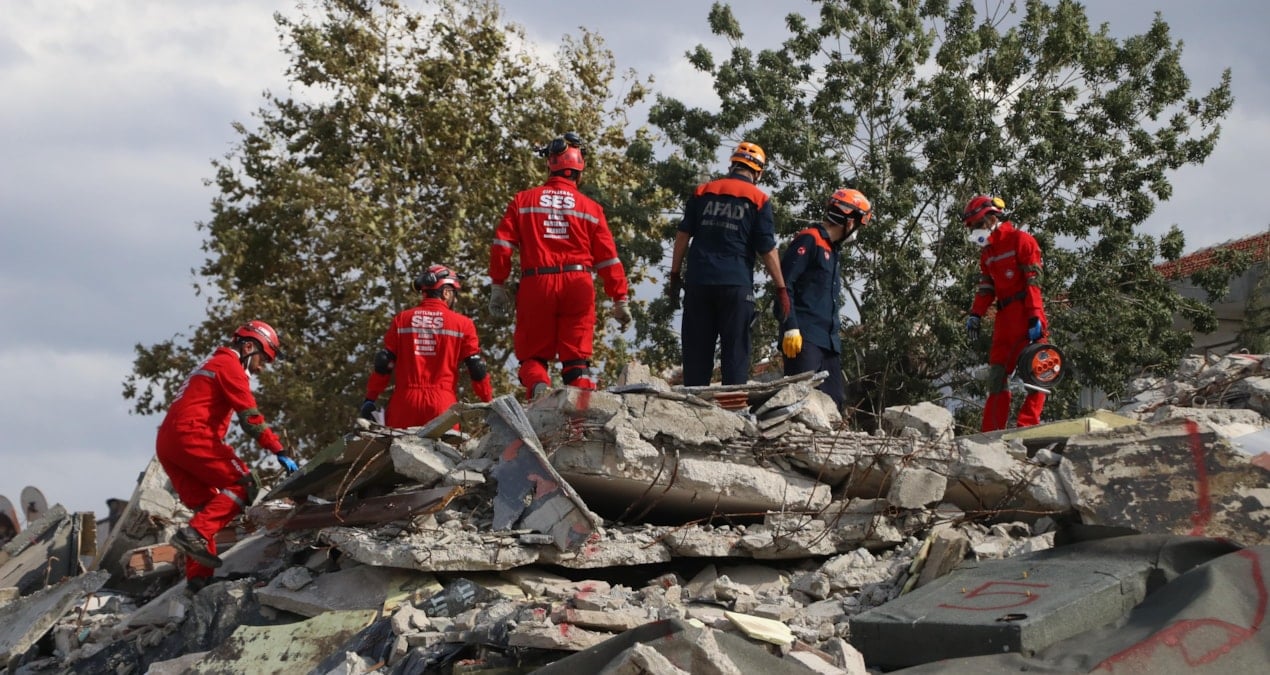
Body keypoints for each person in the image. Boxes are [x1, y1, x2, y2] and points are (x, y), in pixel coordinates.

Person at [488, 132, 631, 399]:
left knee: (533, 357)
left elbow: (502, 245)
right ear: (579, 170)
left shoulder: (523, 200)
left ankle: (539, 391)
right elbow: (608, 258)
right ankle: (579, 420)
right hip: (578, 285)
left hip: (537, 284)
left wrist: (498, 284)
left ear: (550, 164)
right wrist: (619, 298)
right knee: (576, 360)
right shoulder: (591, 207)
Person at [155, 320, 296, 590]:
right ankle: (194, 535)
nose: (262, 366)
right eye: (263, 358)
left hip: (168, 442)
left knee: (208, 508)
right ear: (248, 346)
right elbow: (250, 418)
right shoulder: (230, 366)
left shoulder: (211, 363)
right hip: (192, 435)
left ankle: (198, 582)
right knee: (245, 483)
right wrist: (278, 449)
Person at [668, 141, 789, 386]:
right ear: (758, 172)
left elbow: (682, 235)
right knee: (735, 352)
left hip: (699, 282)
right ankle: (733, 413)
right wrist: (781, 288)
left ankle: (693, 409)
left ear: (733, 164)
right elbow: (767, 249)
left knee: (696, 352)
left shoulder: (703, 191)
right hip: (735, 285)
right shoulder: (758, 199)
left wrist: (674, 275)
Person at [360, 264, 493, 427]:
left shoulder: (402, 320)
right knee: (445, 452)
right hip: (442, 406)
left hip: (404, 404)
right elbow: (476, 367)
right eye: (454, 293)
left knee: (397, 451)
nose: (455, 299)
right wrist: (488, 401)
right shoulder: (463, 324)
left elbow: (383, 362)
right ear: (446, 292)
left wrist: (370, 398)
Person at [778, 188, 873, 409]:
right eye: (858, 225)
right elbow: (784, 285)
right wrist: (790, 326)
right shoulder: (810, 240)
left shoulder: (833, 250)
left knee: (834, 402)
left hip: (828, 341)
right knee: (802, 401)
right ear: (850, 222)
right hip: (803, 337)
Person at [962, 195, 1049, 431]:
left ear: (991, 219)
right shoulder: (987, 252)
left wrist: (1035, 316)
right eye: (972, 228)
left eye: (977, 226)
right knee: (997, 377)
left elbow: (1033, 281)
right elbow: (986, 286)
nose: (975, 232)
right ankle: (991, 430)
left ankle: (1028, 424)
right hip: (1004, 319)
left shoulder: (1021, 240)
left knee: (1039, 370)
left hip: (1025, 313)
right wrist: (976, 313)